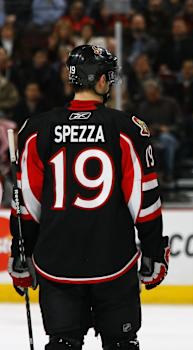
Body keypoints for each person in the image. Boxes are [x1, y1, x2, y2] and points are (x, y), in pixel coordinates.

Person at [7, 45, 169, 350]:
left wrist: (21, 251)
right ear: (99, 81)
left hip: (57, 263)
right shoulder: (126, 129)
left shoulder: (36, 130)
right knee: (122, 343)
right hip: (114, 260)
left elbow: (27, 204)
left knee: (62, 343)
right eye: (107, 75)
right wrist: (153, 251)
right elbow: (144, 200)